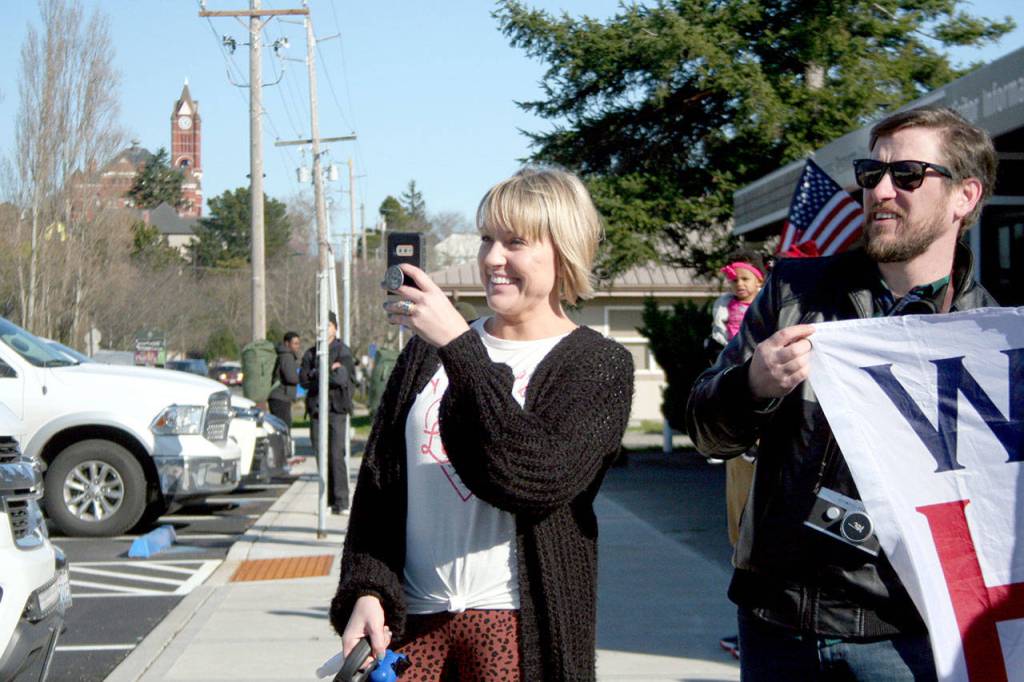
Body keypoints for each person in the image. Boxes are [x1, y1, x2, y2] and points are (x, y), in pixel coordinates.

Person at [684, 105, 998, 681]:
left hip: (906, 638)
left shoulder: (990, 336)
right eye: (870, 174)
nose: (880, 190)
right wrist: (752, 383)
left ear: (964, 197)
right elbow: (705, 431)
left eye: (906, 176)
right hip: (779, 624)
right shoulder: (794, 292)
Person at [328, 167, 634, 681]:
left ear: (563, 250)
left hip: (517, 625)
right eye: (487, 238)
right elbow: (380, 487)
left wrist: (461, 350)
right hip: (414, 623)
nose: (493, 258)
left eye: (515, 242)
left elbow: (534, 478)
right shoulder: (425, 354)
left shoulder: (597, 365)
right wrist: (367, 588)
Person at [707, 251, 765, 659]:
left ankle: (758, 635)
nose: (739, 286)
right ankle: (750, 632)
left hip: (764, 438)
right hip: (736, 438)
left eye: (747, 279)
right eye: (734, 280)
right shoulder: (721, 319)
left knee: (758, 537)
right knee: (739, 532)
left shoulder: (770, 319)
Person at [300, 312, 355, 514]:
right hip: (316, 410)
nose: (324, 328)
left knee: (335, 454)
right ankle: (328, 499)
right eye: (321, 324)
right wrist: (324, 370)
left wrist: (319, 373)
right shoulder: (311, 353)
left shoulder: (343, 351)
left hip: (336, 410)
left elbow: (341, 378)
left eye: (328, 324)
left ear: (335, 328)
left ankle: (341, 501)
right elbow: (304, 380)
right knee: (320, 454)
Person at [268, 331, 301, 430]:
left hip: (279, 397)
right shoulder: (287, 356)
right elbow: (291, 377)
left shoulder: (283, 355)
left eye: (298, 343)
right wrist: (302, 378)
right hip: (280, 397)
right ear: (287, 343)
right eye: (295, 343)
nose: (297, 346)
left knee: (281, 425)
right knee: (283, 427)